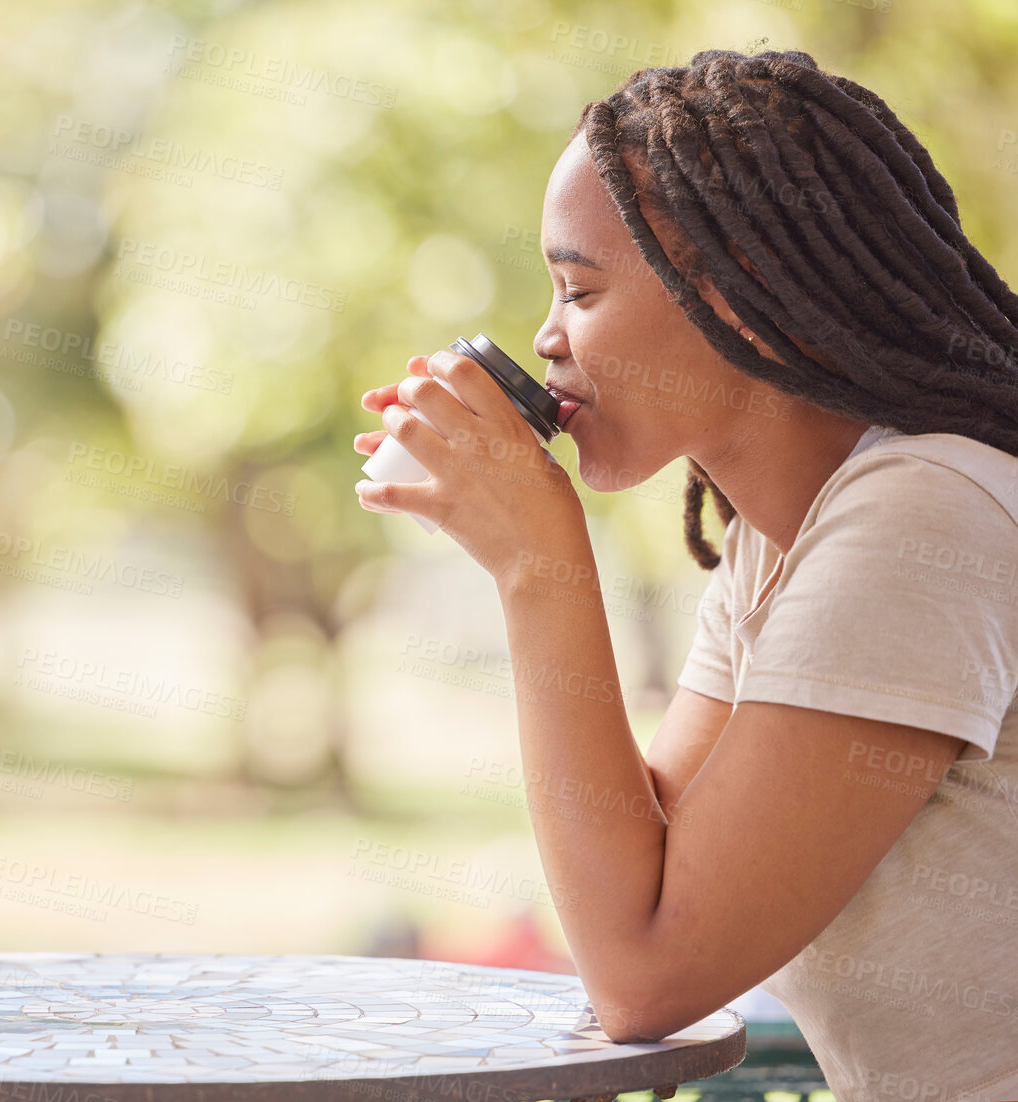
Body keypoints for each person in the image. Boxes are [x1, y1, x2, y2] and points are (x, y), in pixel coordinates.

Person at [354, 48, 1018, 1100]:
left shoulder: (923, 512)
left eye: (578, 288)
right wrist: (521, 549)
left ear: (746, 295)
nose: (544, 337)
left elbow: (645, 973)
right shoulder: (777, 539)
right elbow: (639, 872)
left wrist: (541, 568)